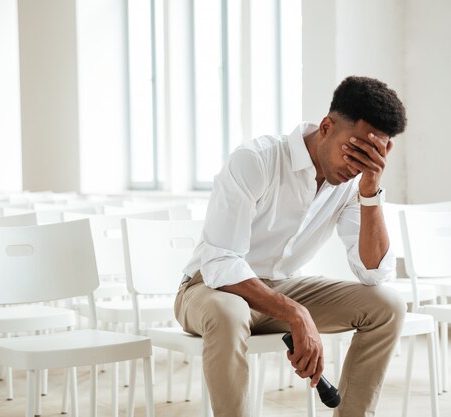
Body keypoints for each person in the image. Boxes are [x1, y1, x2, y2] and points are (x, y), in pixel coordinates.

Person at [175, 75, 408, 417]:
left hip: (278, 286)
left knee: (388, 305)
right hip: (209, 288)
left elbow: (374, 272)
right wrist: (295, 313)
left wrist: (371, 188)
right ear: (326, 127)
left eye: (370, 157)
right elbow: (221, 262)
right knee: (230, 311)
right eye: (355, 151)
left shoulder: (353, 181)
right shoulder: (256, 160)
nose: (357, 166)